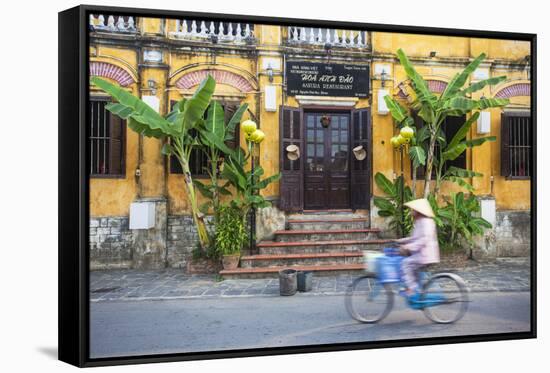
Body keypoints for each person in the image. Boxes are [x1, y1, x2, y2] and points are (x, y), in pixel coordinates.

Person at [395, 198, 440, 302]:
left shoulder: (427, 222)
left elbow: (424, 239)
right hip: (421, 253)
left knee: (405, 263)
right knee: (412, 270)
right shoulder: (420, 222)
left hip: (426, 255)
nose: (411, 212)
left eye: (413, 210)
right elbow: (414, 238)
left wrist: (408, 247)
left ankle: (411, 289)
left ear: (419, 211)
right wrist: (400, 241)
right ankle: (418, 292)